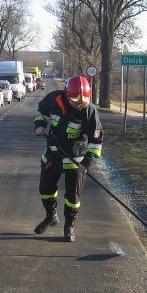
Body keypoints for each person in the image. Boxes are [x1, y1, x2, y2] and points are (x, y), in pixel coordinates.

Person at [33, 75, 103, 242]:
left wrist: (87, 163)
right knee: (45, 189)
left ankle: (69, 226)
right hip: (53, 154)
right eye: (76, 101)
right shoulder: (53, 99)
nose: (79, 104)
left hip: (76, 158)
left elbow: (96, 141)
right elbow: (41, 114)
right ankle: (51, 216)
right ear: (66, 94)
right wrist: (40, 126)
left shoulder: (90, 111)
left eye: (83, 101)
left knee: (72, 197)